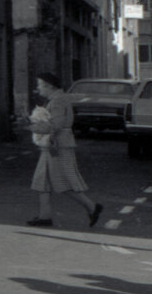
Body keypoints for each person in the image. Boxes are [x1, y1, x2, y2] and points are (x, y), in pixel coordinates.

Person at [25, 72, 103, 228]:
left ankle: (92, 207)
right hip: (53, 145)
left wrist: (30, 125)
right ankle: (45, 216)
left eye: (40, 85)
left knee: (62, 183)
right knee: (43, 180)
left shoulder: (58, 101)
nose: (38, 88)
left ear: (50, 86)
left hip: (56, 145)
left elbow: (55, 125)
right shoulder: (56, 100)